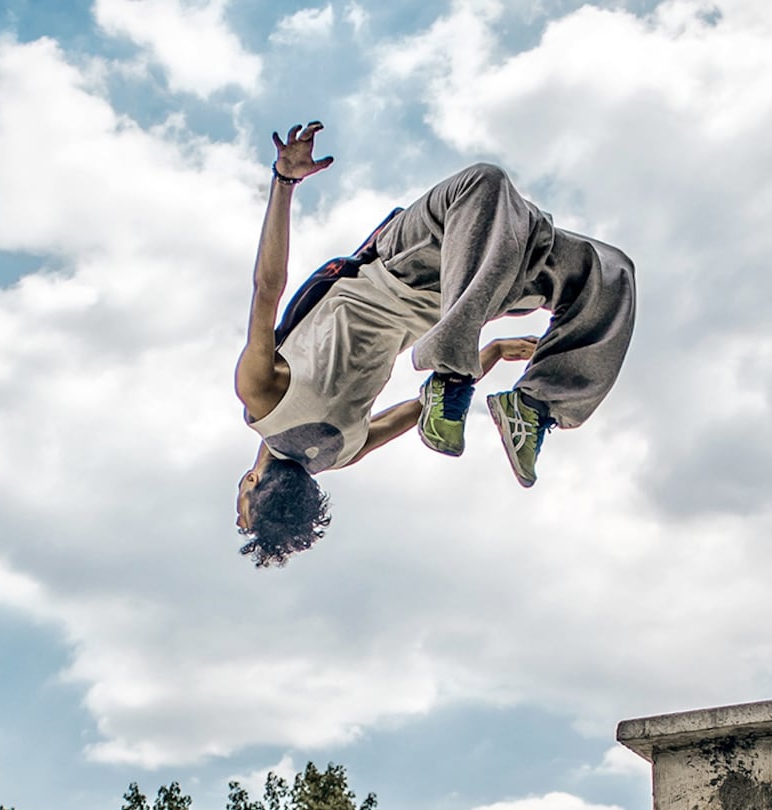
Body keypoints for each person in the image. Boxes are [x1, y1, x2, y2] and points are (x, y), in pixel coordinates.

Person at [235, 122, 636, 567]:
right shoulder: (261, 396)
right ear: (251, 481)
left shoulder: (344, 453)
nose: (238, 518)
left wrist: (493, 353)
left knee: (608, 272)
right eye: (243, 518)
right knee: (484, 186)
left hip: (464, 293)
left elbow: (421, 410)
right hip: (407, 265)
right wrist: (284, 181)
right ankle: (532, 403)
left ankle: (522, 397)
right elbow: (267, 287)